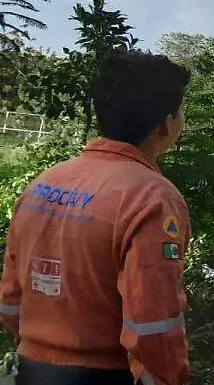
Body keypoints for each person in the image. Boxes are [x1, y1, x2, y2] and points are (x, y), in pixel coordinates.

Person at [0, 50, 193, 385]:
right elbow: (153, 324)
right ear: (166, 123)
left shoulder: (43, 185)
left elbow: (11, 297)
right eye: (181, 111)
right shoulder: (152, 199)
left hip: (26, 370)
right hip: (102, 375)